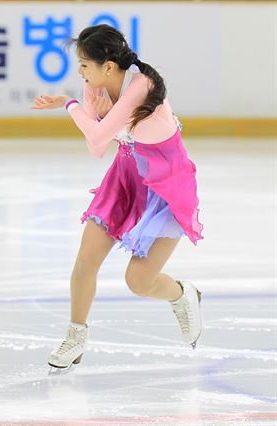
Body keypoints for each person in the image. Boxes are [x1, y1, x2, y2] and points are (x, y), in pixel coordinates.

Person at [31, 24, 204, 370]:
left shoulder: (141, 87)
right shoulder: (95, 85)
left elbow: (96, 135)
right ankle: (75, 337)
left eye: (84, 65)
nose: (80, 72)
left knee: (138, 281)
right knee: (85, 260)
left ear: (108, 66)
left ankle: (184, 295)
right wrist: (87, 108)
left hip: (164, 185)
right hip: (126, 176)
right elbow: (97, 148)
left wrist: (69, 105)